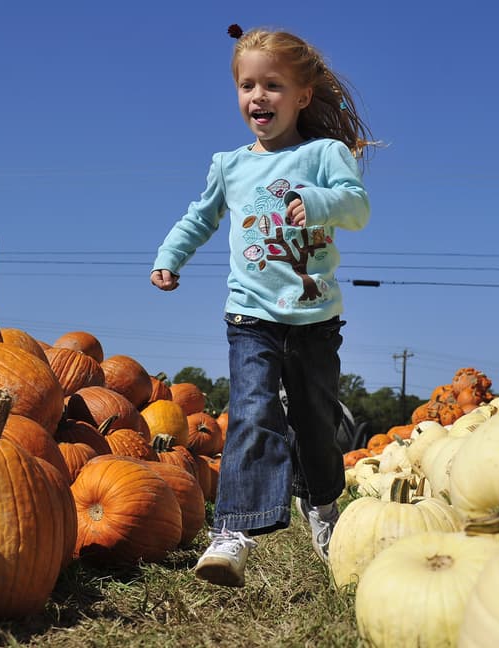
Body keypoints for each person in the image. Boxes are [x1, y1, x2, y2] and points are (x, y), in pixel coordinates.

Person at [150, 23, 376, 587]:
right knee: (251, 413)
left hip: (314, 319)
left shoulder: (326, 154)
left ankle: (323, 508)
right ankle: (233, 533)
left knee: (316, 424)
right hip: (250, 316)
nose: (258, 97)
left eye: (272, 85)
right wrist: (169, 256)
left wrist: (318, 201)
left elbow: (357, 208)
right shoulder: (230, 164)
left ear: (302, 95)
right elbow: (200, 216)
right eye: (247, 86)